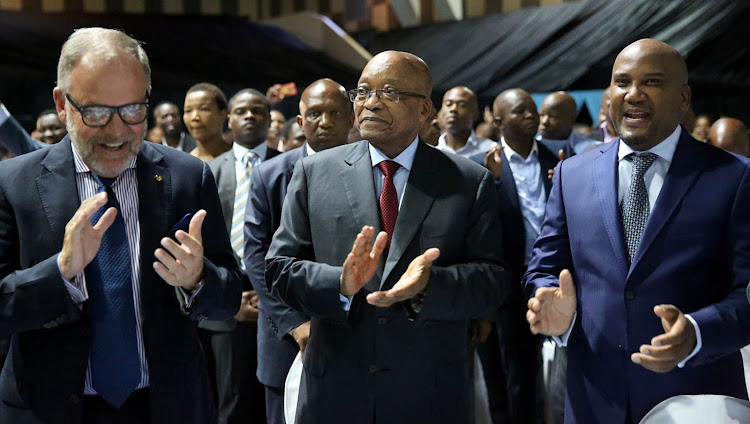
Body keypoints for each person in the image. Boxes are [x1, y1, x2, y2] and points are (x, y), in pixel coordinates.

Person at [0, 27, 242, 424]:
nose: (116, 131)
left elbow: (229, 298)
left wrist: (197, 278)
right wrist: (59, 273)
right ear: (63, 105)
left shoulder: (187, 177)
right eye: (95, 113)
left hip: (167, 406)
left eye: (132, 111)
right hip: (49, 409)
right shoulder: (13, 183)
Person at [265, 51, 507, 424]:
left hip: (430, 392)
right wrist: (339, 284)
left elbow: (492, 280)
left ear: (425, 109)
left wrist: (430, 285)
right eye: (361, 92)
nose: (370, 103)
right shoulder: (314, 173)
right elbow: (279, 270)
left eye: (389, 92)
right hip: (336, 391)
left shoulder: (468, 181)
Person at [523, 38, 750, 424]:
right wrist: (553, 306)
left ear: (683, 98)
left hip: (697, 399)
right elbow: (544, 267)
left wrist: (696, 332)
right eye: (622, 81)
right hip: (594, 401)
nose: (633, 94)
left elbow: (746, 295)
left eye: (652, 82)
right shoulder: (570, 175)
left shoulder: (734, 176)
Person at [245, 78, 354, 424]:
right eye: (315, 113)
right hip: (284, 334)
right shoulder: (269, 174)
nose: (325, 122)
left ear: (351, 118)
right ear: (300, 118)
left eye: (335, 112)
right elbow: (256, 256)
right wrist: (295, 324)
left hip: (354, 331)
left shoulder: (372, 169)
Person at [471, 88, 559, 424]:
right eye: (520, 111)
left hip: (548, 278)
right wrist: (491, 182)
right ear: (498, 120)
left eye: (532, 109)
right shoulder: (484, 166)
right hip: (506, 282)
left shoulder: (557, 161)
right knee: (508, 371)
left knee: (535, 371)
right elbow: (478, 226)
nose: (531, 116)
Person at [204, 88, 280, 424]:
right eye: (242, 111)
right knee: (230, 400)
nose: (250, 116)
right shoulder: (207, 172)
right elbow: (201, 242)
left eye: (258, 110)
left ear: (269, 118)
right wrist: (230, 299)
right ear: (228, 119)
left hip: (276, 297)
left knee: (274, 398)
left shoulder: (290, 166)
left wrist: (269, 296)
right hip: (226, 300)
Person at [436, 86, 495, 157]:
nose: (453, 109)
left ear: (475, 114)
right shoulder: (429, 153)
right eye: (448, 104)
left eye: (462, 105)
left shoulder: (490, 150)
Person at [183, 83, 231, 161]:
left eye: (204, 109)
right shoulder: (185, 162)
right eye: (188, 111)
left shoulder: (239, 160)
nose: (194, 117)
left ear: (223, 114)